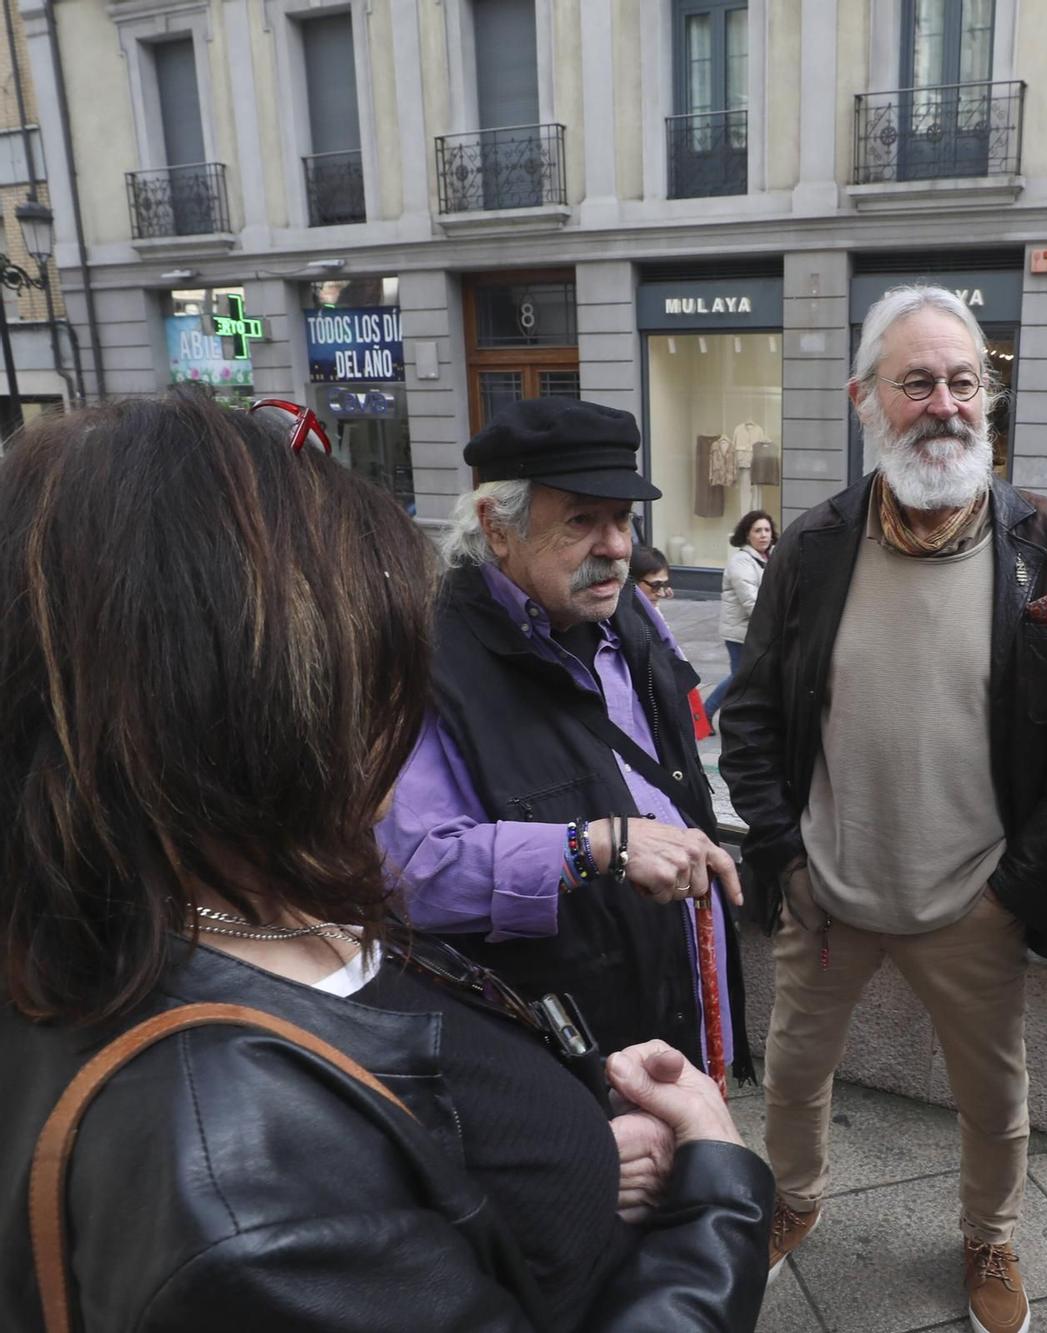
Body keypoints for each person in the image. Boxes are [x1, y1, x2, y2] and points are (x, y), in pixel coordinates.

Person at [0, 392, 773, 1332]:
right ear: (240, 706)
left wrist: (589, 1148)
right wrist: (719, 1201)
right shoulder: (242, 1188)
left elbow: (433, 1133)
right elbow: (420, 881)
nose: (398, 721)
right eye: (378, 668)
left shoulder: (241, 908)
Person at [720, 285, 1047, 1333]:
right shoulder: (810, 547)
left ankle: (989, 1233)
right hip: (829, 892)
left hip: (973, 898)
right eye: (916, 383)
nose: (945, 403)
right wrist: (786, 856)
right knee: (795, 1071)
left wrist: (1018, 889)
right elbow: (751, 714)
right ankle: (792, 1204)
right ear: (866, 401)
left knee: (995, 1096)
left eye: (962, 380)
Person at [378, 397, 752, 1067]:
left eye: (622, 519)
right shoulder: (429, 656)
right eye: (582, 519)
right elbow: (411, 876)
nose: (615, 547)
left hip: (677, 1009)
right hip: (553, 1051)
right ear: (497, 526)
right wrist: (595, 845)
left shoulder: (633, 613)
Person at [704, 510, 773, 716]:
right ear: (747, 535)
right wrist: (775, 621)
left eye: (767, 530)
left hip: (755, 630)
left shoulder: (768, 557)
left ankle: (739, 713)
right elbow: (751, 601)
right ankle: (705, 712)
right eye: (757, 530)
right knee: (739, 677)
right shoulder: (741, 561)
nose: (763, 535)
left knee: (749, 676)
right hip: (740, 632)